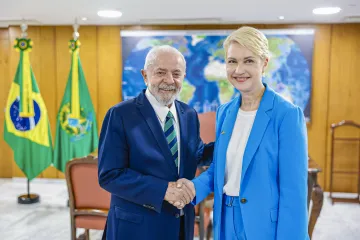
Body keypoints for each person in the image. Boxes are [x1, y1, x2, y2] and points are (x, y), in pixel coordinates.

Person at [178, 26, 309, 240]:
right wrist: (192, 188)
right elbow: (219, 169)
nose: (239, 70)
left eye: (248, 61)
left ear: (264, 63)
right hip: (224, 221)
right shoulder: (225, 112)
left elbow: (293, 193)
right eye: (232, 61)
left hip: (264, 226)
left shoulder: (287, 115)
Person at [98, 45, 213, 240]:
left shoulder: (189, 114)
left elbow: (196, 153)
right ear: (145, 75)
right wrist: (162, 190)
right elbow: (109, 175)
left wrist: (234, 142)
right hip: (136, 229)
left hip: (180, 227)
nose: (169, 80)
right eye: (161, 72)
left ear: (184, 77)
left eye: (176, 73)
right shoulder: (120, 115)